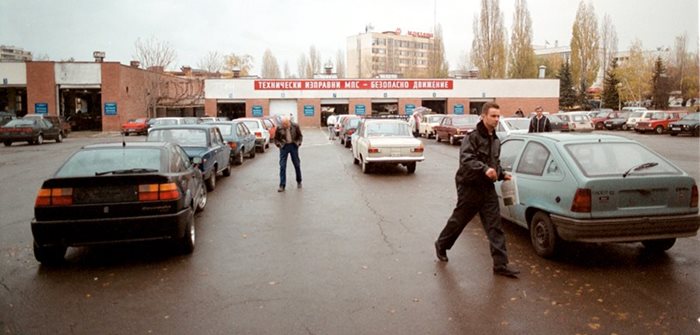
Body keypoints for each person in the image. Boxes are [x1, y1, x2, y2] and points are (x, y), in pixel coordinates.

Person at [434, 102, 520, 278]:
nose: (497, 119)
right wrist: (484, 169)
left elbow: (494, 164)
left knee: (495, 226)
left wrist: (502, 174)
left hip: (487, 188)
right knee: (459, 221)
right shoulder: (472, 137)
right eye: (493, 116)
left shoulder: (496, 140)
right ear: (483, 116)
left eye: (498, 116)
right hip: (469, 186)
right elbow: (467, 158)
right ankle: (441, 245)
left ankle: (500, 265)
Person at [274, 116, 303, 192]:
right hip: (284, 147)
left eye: (286, 124)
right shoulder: (279, 128)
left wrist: (298, 143)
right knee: (282, 166)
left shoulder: (295, 126)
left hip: (293, 146)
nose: (285, 126)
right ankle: (282, 185)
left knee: (297, 164)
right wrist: (279, 145)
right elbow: (276, 139)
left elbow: (300, 136)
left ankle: (299, 180)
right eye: (283, 124)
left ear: (289, 122)